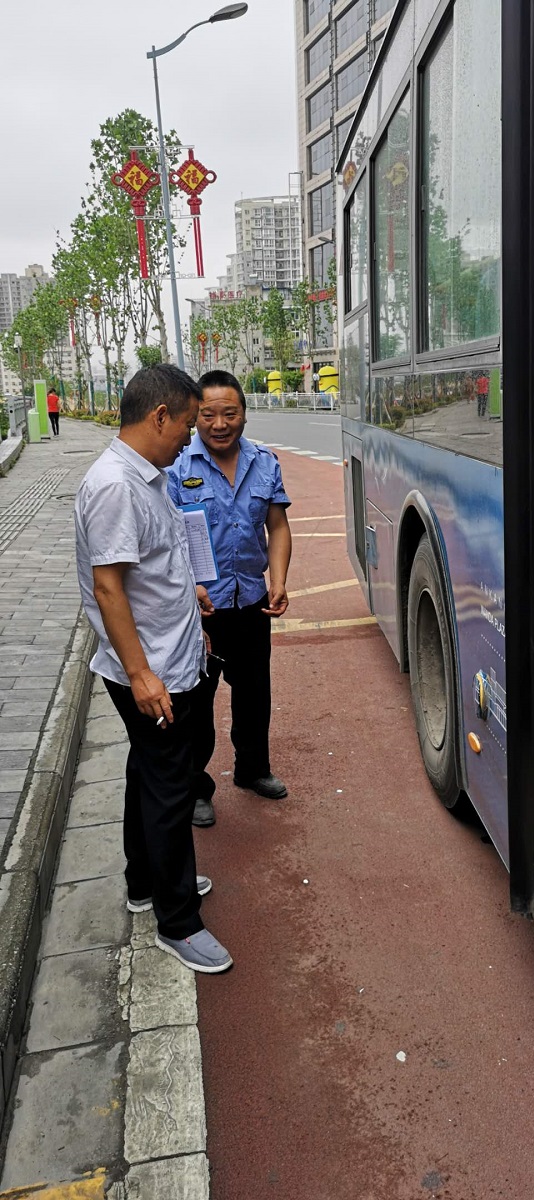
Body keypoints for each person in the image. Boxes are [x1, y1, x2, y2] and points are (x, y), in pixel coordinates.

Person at [74, 364, 232, 974]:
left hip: (167, 653)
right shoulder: (116, 485)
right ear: (159, 416)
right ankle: (178, 922)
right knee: (170, 786)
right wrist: (141, 675)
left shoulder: (146, 477)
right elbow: (109, 588)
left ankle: (146, 882)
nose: (191, 437)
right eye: (188, 424)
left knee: (148, 772)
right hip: (152, 669)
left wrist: (187, 596)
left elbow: (150, 564)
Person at [167, 369, 292, 828]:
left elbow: (277, 526)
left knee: (255, 692)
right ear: (194, 416)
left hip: (251, 600)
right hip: (201, 608)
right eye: (208, 415)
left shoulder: (265, 462)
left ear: (244, 413)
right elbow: (166, 542)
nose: (220, 424)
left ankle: (252, 769)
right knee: (196, 702)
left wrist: (279, 579)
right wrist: (187, 588)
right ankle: (196, 788)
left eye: (230, 414)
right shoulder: (177, 468)